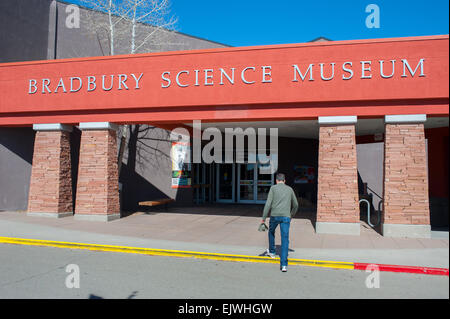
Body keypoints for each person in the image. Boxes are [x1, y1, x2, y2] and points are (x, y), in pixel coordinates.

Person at [261, 173, 298, 272]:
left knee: (271, 231)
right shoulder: (289, 189)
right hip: (286, 217)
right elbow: (296, 205)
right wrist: (291, 215)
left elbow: (268, 204)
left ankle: (272, 252)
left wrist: (263, 218)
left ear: (276, 180)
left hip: (274, 216)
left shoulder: (273, 188)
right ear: (284, 181)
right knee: (285, 239)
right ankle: (284, 265)